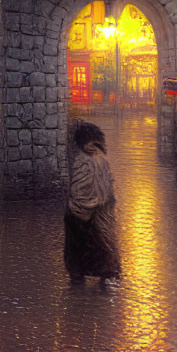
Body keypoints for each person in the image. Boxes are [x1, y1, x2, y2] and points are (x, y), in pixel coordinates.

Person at [64, 122, 120, 284]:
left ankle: (81, 283)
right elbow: (108, 186)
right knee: (103, 247)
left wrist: (77, 210)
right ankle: (106, 280)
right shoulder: (100, 160)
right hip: (101, 212)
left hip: (87, 214)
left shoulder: (84, 161)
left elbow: (79, 191)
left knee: (83, 250)